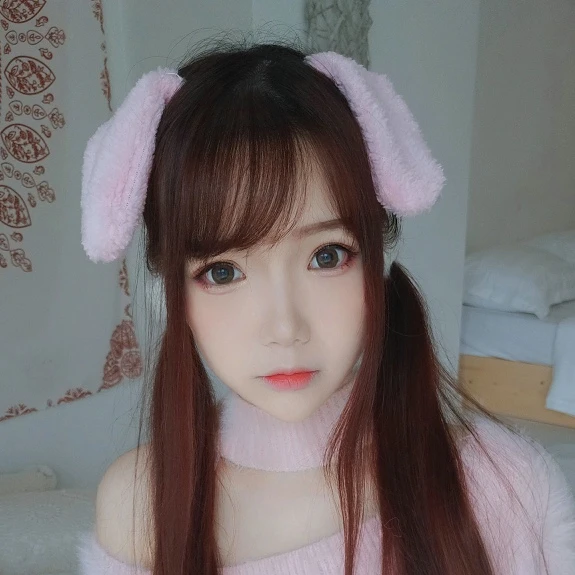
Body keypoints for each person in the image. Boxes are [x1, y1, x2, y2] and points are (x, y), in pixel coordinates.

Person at [77, 40, 575, 575]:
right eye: (222, 272)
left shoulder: (506, 486)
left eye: (326, 256)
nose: (285, 327)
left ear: (380, 261)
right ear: (167, 290)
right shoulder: (139, 506)